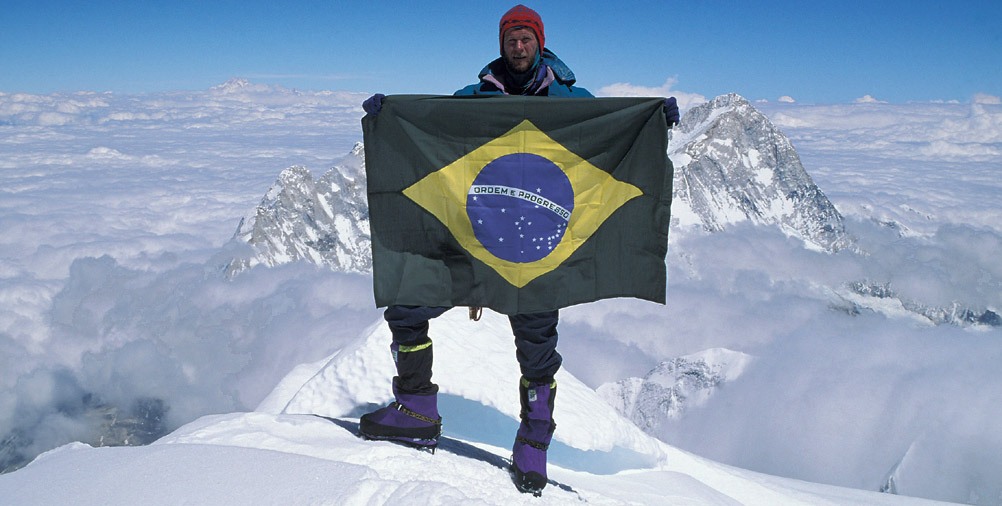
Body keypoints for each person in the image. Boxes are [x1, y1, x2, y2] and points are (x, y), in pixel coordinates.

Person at [359, 4, 679, 496]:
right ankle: (415, 407)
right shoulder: (477, 97)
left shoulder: (572, 100)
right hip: (474, 244)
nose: (519, 46)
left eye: (527, 37)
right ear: (502, 44)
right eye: (511, 38)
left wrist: (655, 120)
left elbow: (609, 133)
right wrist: (391, 117)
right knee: (407, 303)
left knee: (537, 353)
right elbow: (437, 132)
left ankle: (533, 444)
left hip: (538, 252)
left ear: (540, 42)